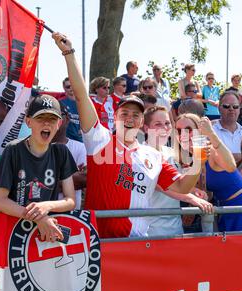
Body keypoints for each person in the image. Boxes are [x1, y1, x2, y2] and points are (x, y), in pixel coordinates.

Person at [53, 32, 206, 239]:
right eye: (124, 113)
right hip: (98, 243)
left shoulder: (154, 155)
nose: (130, 118)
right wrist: (69, 54)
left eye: (136, 115)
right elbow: (81, 97)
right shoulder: (100, 140)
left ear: (142, 122)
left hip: (137, 245)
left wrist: (198, 160)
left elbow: (182, 186)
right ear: (115, 117)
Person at [0, 94, 78, 243]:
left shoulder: (61, 152)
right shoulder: (13, 150)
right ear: (28, 121)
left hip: (47, 233)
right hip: (15, 234)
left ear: (59, 123)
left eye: (52, 119)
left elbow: (70, 200)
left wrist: (47, 206)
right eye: (40, 118)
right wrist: (38, 217)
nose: (46, 123)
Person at [176, 113, 242, 232]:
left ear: (200, 131)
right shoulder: (190, 158)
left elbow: (231, 166)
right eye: (178, 130)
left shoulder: (210, 150)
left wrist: (211, 134)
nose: (183, 134)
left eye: (188, 129)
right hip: (227, 211)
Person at [143, 106, 213, 236]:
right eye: (158, 124)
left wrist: (194, 190)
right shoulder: (142, 154)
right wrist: (192, 198)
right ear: (146, 128)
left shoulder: (171, 153)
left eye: (167, 123)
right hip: (151, 230)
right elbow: (164, 186)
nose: (165, 128)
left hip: (175, 227)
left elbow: (180, 181)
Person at [52, 103, 87, 210]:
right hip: (40, 215)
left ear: (67, 119)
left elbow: (83, 180)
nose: (54, 120)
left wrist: (44, 182)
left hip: (71, 216)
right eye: (49, 117)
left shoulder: (80, 147)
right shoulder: (32, 147)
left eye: (58, 115)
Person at [212, 91, 242, 162]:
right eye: (226, 106)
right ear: (219, 108)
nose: (231, 109)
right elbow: (210, 157)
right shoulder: (210, 130)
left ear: (239, 109)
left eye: (235, 106)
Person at [59, 77, 82, 142]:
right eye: (68, 87)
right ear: (64, 88)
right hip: (66, 141)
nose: (71, 88)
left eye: (72, 86)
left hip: (81, 140)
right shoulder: (61, 103)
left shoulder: (83, 103)